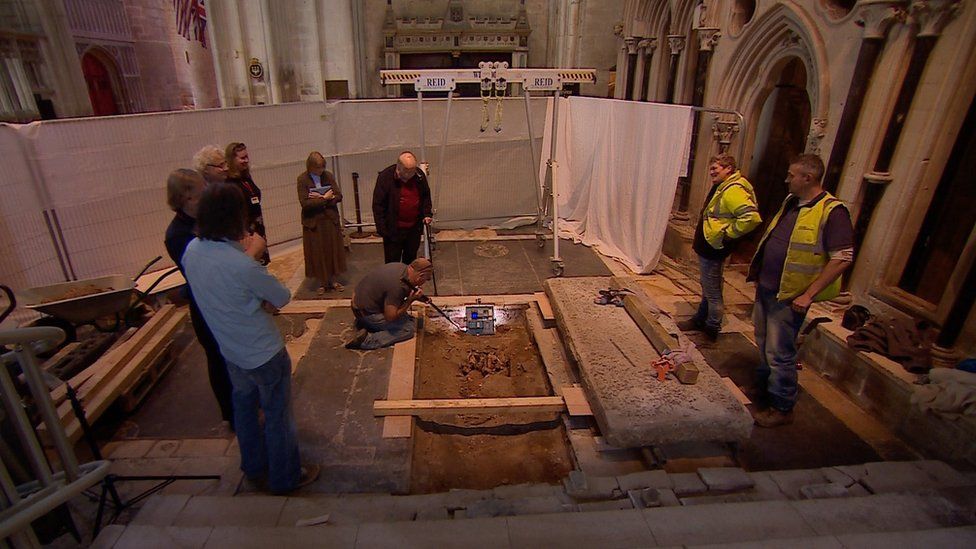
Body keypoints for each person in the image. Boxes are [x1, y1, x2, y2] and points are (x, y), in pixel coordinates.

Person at [182, 183, 319, 494]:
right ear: (235, 219)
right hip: (264, 353)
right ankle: (286, 477)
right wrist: (254, 253)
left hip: (231, 350)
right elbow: (281, 296)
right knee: (277, 416)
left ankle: (254, 467)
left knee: (243, 409)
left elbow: (223, 291)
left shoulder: (192, 251)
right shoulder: (242, 265)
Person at [748, 154, 854, 428]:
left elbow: (842, 257)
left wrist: (809, 295)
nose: (787, 179)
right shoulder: (792, 201)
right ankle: (765, 388)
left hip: (790, 296)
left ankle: (782, 406)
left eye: (791, 175)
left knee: (779, 352)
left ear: (808, 178)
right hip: (768, 287)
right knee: (762, 340)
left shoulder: (833, 211)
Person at [163, 169, 234, 428]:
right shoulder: (177, 235)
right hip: (207, 307)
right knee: (218, 359)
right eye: (202, 193)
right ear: (185, 198)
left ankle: (246, 403)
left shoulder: (205, 220)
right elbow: (205, 272)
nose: (207, 196)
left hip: (225, 300)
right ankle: (231, 414)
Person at [677, 154, 761, 342]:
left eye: (715, 168)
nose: (711, 172)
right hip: (710, 245)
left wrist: (729, 234)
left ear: (728, 168)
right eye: (711, 168)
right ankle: (700, 319)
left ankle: (711, 328)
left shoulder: (733, 190)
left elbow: (751, 218)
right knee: (709, 286)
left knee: (713, 291)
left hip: (714, 247)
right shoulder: (723, 186)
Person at [345, 258, 433, 350]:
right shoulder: (398, 286)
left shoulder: (402, 268)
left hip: (360, 302)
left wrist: (420, 298)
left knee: (408, 319)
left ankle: (366, 324)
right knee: (408, 329)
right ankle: (367, 340)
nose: (424, 282)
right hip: (366, 313)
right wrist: (410, 300)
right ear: (420, 276)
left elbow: (401, 290)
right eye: (426, 279)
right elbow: (390, 317)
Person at [297, 152, 346, 293]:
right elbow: (305, 203)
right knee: (317, 252)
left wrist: (323, 198)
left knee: (332, 250)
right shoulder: (302, 179)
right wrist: (324, 198)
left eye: (322, 168)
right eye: (317, 168)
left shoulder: (328, 176)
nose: (320, 171)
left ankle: (333, 279)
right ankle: (322, 282)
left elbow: (338, 195)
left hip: (329, 219)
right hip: (313, 222)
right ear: (310, 167)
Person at [372, 151, 432, 264]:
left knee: (410, 260)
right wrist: (383, 230)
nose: (408, 179)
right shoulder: (385, 177)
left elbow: (425, 196)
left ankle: (407, 276)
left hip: (413, 229)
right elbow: (378, 205)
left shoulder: (418, 175)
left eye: (411, 174)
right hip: (393, 230)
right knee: (392, 262)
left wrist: (427, 213)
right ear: (398, 169)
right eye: (405, 175)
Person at [226, 142, 271, 265]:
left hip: (258, 226)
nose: (246, 160)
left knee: (261, 264)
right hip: (246, 231)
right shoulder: (229, 183)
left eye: (247, 157)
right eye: (242, 158)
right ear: (232, 160)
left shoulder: (246, 177)